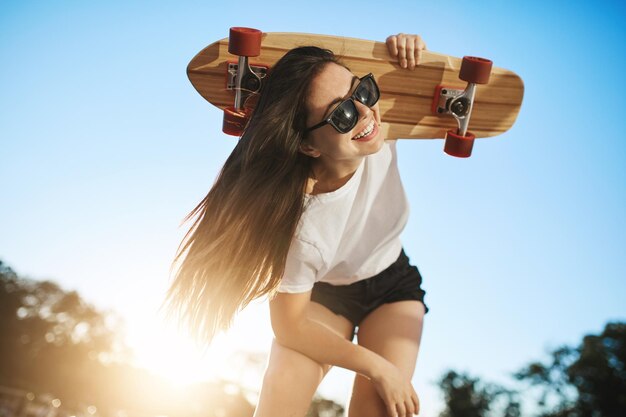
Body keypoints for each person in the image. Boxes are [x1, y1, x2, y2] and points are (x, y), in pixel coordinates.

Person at [161, 33, 429, 417]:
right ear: (308, 145)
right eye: (342, 115)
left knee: (384, 408)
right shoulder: (300, 227)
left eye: (363, 92)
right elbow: (290, 326)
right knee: (280, 397)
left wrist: (407, 48)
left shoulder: (380, 132)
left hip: (391, 284)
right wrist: (378, 367)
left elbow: (425, 86)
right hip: (322, 297)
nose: (366, 113)